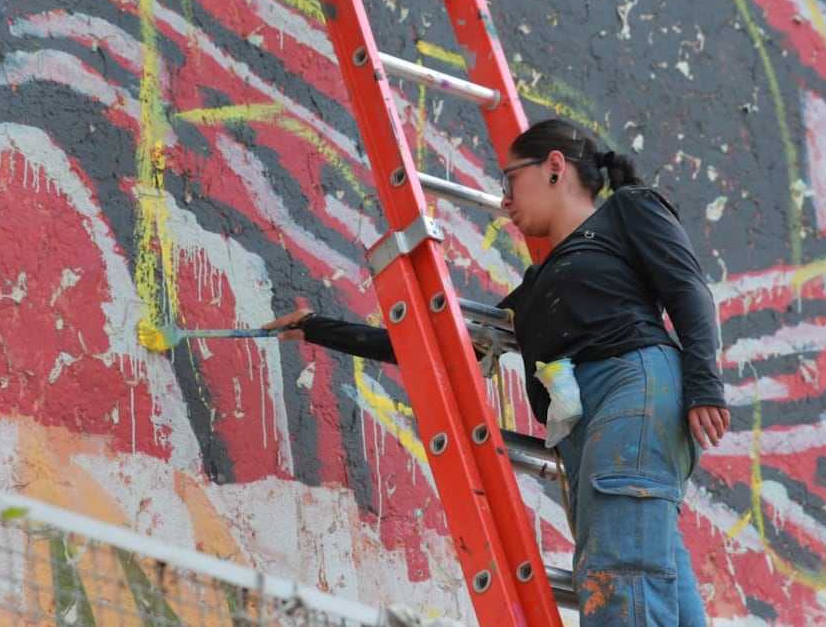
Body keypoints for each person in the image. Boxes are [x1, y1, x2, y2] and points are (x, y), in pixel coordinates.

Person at [264, 118, 730, 626]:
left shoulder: (628, 210)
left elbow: (689, 290)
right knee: (657, 584)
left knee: (621, 576)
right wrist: (315, 328)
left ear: (555, 167)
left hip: (632, 392)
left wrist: (705, 385)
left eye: (509, 180)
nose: (504, 199)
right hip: (599, 425)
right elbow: (441, 348)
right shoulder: (539, 284)